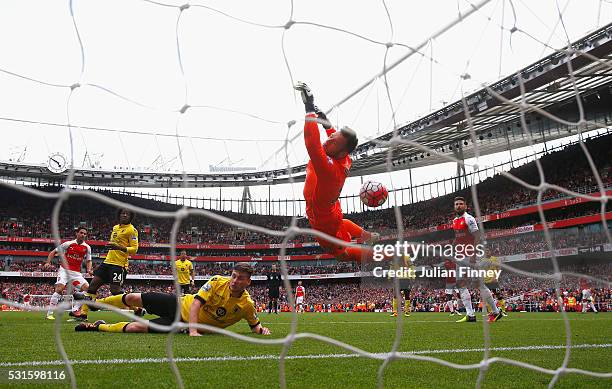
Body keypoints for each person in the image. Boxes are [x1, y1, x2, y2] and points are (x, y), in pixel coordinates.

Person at [294, 82, 379, 263]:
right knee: (342, 223)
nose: (328, 140)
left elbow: (312, 144)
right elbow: (336, 140)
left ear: (340, 152)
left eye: (333, 141)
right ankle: (367, 236)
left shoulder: (329, 169)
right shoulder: (345, 158)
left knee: (343, 255)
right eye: (331, 137)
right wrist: (327, 126)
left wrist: (309, 110)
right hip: (329, 213)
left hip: (324, 224)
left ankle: (387, 258)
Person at [74, 263, 271, 336]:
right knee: (134, 297)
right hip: (178, 303)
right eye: (234, 276)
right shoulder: (217, 281)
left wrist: (262, 330)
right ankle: (95, 304)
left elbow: (255, 325)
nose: (235, 281)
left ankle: (97, 326)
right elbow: (196, 304)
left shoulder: (247, 305)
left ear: (248, 282)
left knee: (136, 328)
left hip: (179, 325)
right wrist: (194, 331)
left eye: (240, 278)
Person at [80, 208, 139, 320]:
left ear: (131, 217)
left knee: (115, 291)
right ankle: (83, 313)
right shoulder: (115, 228)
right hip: (107, 262)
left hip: (119, 264)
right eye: (123, 213)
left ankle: (137, 309)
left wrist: (119, 247)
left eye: (127, 214)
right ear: (119, 215)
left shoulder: (132, 230)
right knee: (92, 286)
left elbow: (134, 249)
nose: (124, 215)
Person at [451, 197, 502, 323]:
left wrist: (473, 255)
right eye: (456, 204)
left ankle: (478, 313)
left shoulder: (469, 219)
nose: (458, 206)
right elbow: (458, 237)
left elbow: (477, 236)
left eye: (461, 204)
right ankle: (475, 314)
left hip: (469, 256)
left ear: (466, 206)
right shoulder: (454, 221)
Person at [43, 227, 92, 320]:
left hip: (76, 274)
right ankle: (49, 314)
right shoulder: (68, 244)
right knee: (59, 289)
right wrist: (48, 262)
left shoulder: (87, 247)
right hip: (64, 271)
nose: (83, 235)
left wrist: (89, 270)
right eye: (81, 233)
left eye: (85, 234)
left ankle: (75, 310)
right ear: (77, 233)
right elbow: (53, 252)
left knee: (88, 289)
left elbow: (89, 261)